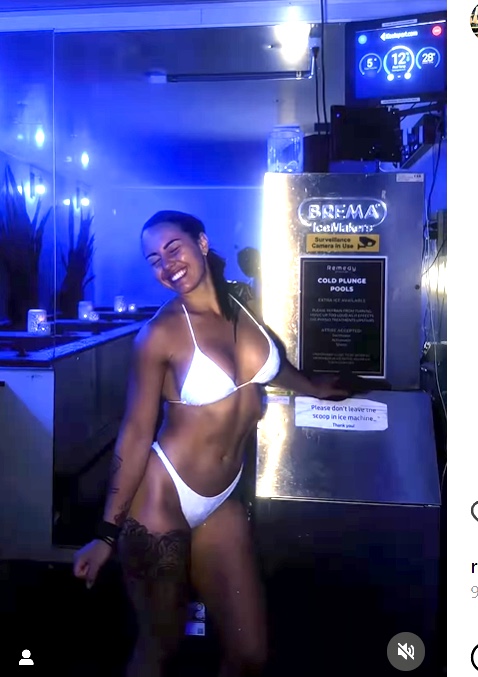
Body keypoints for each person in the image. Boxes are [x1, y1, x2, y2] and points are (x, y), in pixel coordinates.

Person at [73, 211, 355, 677]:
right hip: (161, 501)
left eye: (173, 248)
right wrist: (106, 533)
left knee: (250, 654)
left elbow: (271, 367)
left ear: (201, 242)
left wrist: (313, 387)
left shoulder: (241, 303)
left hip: (222, 499)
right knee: (159, 649)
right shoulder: (159, 334)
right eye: (154, 260)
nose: (166, 265)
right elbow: (136, 431)